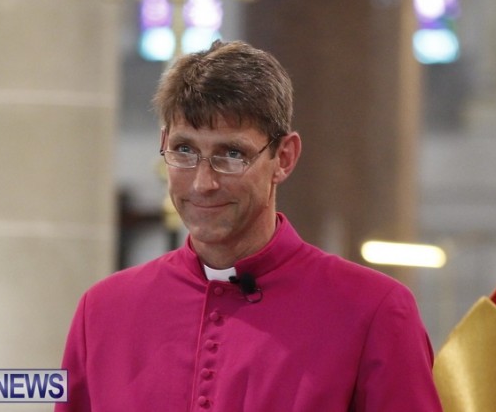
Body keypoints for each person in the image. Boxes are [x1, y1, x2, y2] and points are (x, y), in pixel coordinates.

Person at [56, 40, 443, 412]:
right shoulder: (102, 311)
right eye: (184, 150)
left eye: (231, 154)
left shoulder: (373, 311)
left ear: (284, 158)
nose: (202, 183)